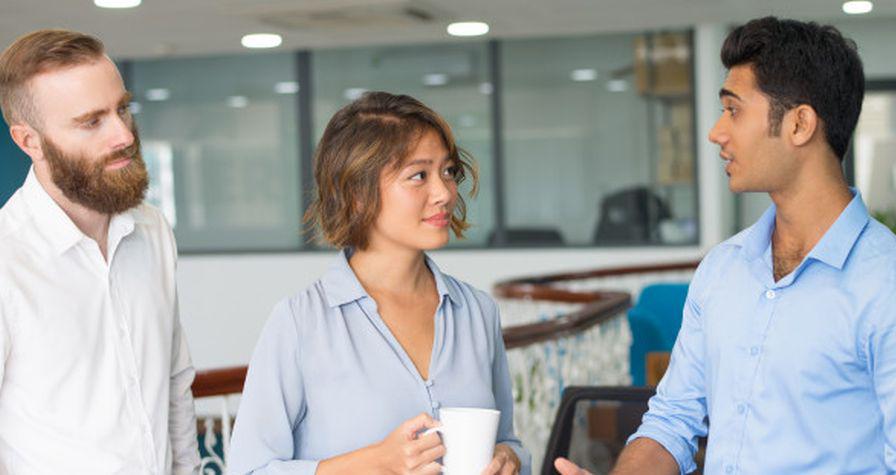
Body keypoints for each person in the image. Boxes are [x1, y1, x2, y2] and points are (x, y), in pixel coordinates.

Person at [556, 16, 896, 475]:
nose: (716, 132)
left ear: (800, 124)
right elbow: (671, 422)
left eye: (734, 109)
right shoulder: (722, 270)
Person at [227, 92, 529, 475]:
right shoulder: (300, 323)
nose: (444, 193)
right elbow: (249, 470)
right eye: (419, 175)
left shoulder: (477, 311)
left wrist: (510, 458)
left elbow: (508, 440)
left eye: (448, 172)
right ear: (356, 193)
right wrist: (373, 465)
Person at [0, 30, 199, 474]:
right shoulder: (7, 260)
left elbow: (174, 384)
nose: (123, 135)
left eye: (122, 109)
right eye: (92, 121)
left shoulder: (152, 230)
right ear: (29, 141)